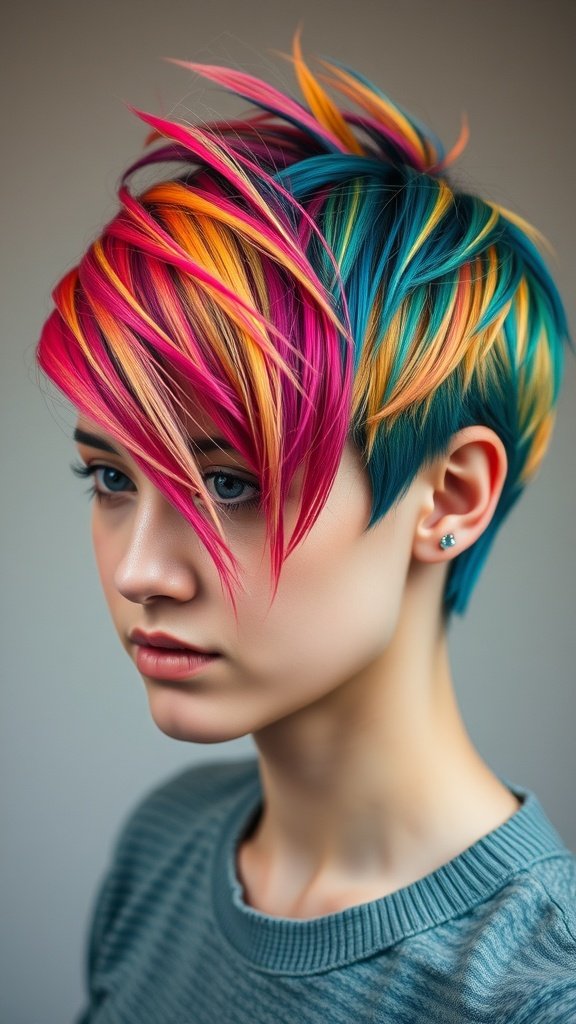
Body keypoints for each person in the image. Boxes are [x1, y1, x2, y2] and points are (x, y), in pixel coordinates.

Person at [37, 32, 575, 1024]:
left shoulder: (533, 994)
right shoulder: (165, 846)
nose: (141, 570)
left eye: (231, 483)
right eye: (110, 475)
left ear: (450, 497)